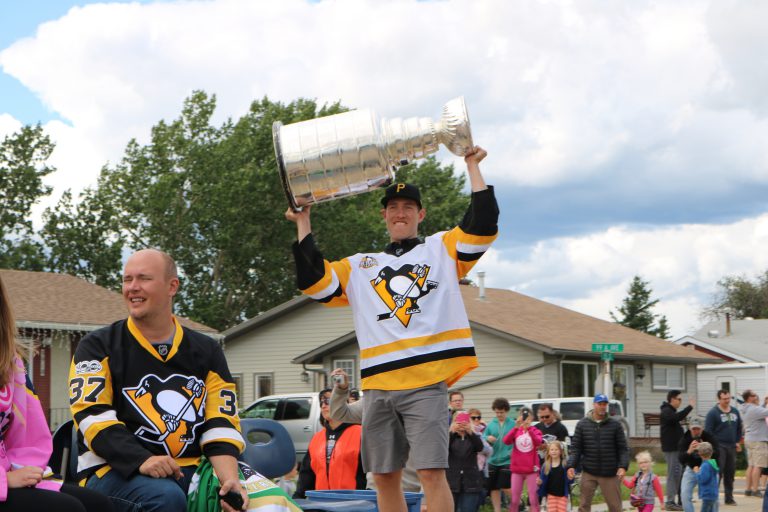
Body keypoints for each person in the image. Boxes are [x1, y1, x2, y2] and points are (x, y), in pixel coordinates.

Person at [286, 146, 498, 512]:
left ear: (421, 214)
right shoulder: (361, 266)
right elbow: (314, 282)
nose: (401, 213)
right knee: (383, 475)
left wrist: (472, 166)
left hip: (425, 381)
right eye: (394, 208)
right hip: (378, 387)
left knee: (431, 471)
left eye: (408, 208)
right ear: (384, 214)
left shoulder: (441, 249)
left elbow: (482, 224)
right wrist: (303, 222)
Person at [69, 249, 247, 512]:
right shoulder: (97, 347)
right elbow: (92, 417)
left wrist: (230, 480)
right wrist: (142, 459)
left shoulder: (207, 350)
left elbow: (220, 423)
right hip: (115, 471)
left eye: (143, 278)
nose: (132, 288)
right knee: (165, 497)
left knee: (263, 501)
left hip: (193, 470)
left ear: (172, 286)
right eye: (127, 279)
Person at [0, 275, 114, 512]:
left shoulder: (8, 364)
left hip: (7, 470)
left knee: (97, 504)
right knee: (67, 509)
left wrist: (27, 471)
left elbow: (27, 434)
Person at [294, 388, 366, 498]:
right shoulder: (317, 438)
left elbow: (373, 475)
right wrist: (298, 499)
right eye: (321, 402)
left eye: (328, 401)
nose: (323, 406)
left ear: (342, 404)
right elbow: (307, 475)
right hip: (321, 505)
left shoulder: (361, 433)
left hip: (354, 504)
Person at [566, 394, 629, 512]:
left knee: (615, 507)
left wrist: (623, 466)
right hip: (589, 471)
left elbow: (623, 448)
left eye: (604, 404)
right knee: (583, 506)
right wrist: (571, 465)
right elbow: (576, 448)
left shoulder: (615, 425)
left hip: (610, 472)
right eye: (600, 404)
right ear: (594, 405)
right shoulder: (582, 424)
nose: (602, 407)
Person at [705, 390, 742, 505]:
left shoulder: (735, 412)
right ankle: (713, 497)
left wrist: (737, 441)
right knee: (718, 472)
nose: (727, 401)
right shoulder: (713, 413)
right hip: (719, 446)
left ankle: (729, 498)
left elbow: (739, 428)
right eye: (724, 399)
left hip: (731, 446)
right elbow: (708, 431)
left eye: (728, 398)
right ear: (719, 399)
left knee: (730, 473)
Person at [660, 390, 694, 511]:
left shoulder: (670, 411)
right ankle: (670, 501)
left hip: (677, 448)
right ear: (672, 399)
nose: (680, 402)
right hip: (671, 449)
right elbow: (675, 418)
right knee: (673, 474)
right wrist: (689, 407)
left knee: (678, 474)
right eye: (679, 399)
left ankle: (676, 501)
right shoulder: (666, 411)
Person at [503, 407, 542, 512]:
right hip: (517, 469)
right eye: (524, 417)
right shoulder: (516, 430)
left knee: (533, 499)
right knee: (515, 500)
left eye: (528, 417)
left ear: (532, 418)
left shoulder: (535, 430)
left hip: (531, 469)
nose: (525, 420)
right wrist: (516, 427)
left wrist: (529, 429)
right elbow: (506, 441)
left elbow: (538, 442)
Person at [678, 416, 719, 512]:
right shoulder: (685, 439)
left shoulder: (708, 437)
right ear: (689, 428)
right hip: (692, 469)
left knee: (713, 497)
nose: (696, 431)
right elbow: (681, 460)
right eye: (694, 429)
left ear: (702, 428)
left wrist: (705, 448)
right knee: (684, 495)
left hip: (707, 468)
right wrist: (689, 451)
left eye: (698, 429)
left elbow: (718, 453)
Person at [447, 410, 485, 512]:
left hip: (471, 481)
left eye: (464, 421)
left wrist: (470, 432)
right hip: (452, 481)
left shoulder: (473, 436)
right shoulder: (450, 437)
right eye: (458, 421)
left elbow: (480, 447)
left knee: (468, 509)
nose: (461, 424)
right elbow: (443, 449)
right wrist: (452, 432)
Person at [483, 398, 515, 512]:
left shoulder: (513, 424)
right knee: (494, 487)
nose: (499, 414)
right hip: (492, 460)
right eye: (497, 412)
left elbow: (518, 438)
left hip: (507, 460)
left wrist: (513, 450)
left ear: (506, 411)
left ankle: (517, 503)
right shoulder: (491, 424)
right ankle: (497, 510)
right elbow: (482, 437)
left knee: (506, 486)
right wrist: (487, 438)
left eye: (501, 412)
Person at [740, 389, 768, 498]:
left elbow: (761, 410)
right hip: (758, 440)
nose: (756, 396)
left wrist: (764, 403)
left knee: (751, 465)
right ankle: (756, 490)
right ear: (749, 398)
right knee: (758, 466)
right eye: (754, 395)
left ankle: (748, 489)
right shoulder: (754, 409)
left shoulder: (746, 409)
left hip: (749, 439)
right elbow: (765, 412)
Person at [536, 441, 572, 512]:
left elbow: (570, 480)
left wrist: (571, 477)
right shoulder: (546, 466)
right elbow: (542, 481)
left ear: (561, 452)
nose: (554, 451)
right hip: (551, 495)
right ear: (548, 452)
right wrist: (539, 482)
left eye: (556, 449)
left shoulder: (565, 464)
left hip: (563, 496)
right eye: (552, 450)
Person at [692, 442, 719, 512]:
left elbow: (702, 479)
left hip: (707, 494)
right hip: (713, 493)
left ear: (700, 454)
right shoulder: (713, 463)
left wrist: (696, 472)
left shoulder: (705, 466)